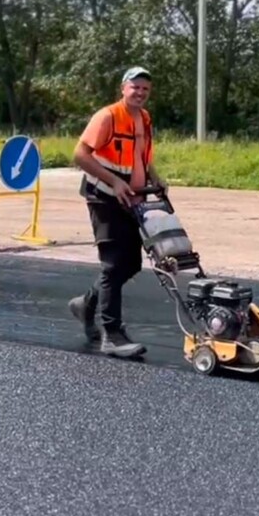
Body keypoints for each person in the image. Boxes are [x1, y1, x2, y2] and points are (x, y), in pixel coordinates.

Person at [69, 66, 166, 359]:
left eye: (145, 89)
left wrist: (155, 178)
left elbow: (140, 156)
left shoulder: (144, 118)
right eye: (135, 87)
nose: (140, 93)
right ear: (123, 88)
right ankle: (112, 335)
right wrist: (114, 182)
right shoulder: (108, 116)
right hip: (104, 197)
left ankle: (86, 304)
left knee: (131, 264)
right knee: (112, 265)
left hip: (132, 199)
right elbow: (79, 155)